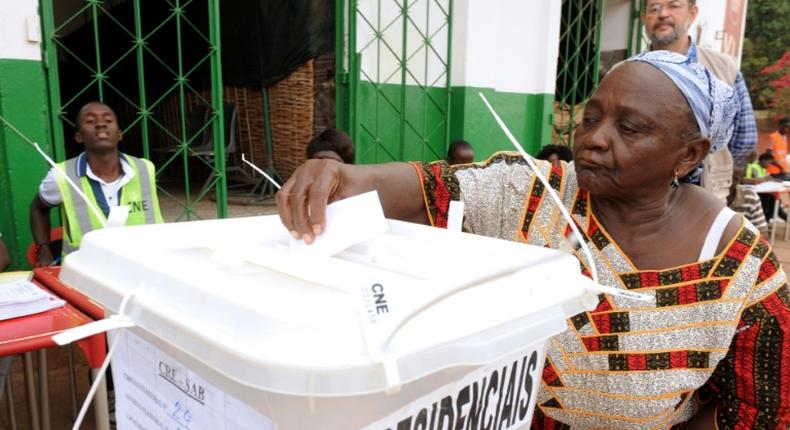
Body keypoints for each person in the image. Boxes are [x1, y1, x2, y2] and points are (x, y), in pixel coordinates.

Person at [277, 52, 790, 428]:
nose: (594, 137)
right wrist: (341, 176)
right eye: (591, 118)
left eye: (629, 128)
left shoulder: (740, 264)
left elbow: (760, 405)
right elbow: (429, 189)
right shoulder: (533, 192)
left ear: (688, 154)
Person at [641, 0, 757, 203]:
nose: (663, 14)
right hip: (644, 195)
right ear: (644, 19)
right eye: (654, 8)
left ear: (692, 13)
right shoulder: (627, 72)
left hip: (708, 195)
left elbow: (744, 137)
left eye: (674, 6)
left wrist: (722, 173)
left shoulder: (723, 69)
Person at [29, 101, 163, 267]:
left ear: (119, 134)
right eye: (90, 121)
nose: (100, 124)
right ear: (79, 137)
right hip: (86, 273)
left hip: (146, 268)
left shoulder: (145, 169)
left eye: (108, 121)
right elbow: (37, 208)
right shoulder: (62, 175)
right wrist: (44, 250)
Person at [728, 167, 768, 234]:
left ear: (738, 179)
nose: (728, 182)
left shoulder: (750, 197)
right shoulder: (706, 197)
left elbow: (761, 233)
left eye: (734, 178)